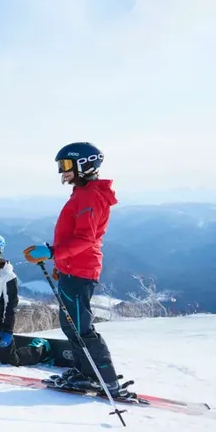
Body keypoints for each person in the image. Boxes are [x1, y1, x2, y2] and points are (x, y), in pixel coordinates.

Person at [23, 141, 133, 398]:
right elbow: (74, 236)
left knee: (81, 327)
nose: (62, 171)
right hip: (74, 267)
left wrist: (52, 253)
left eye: (66, 165)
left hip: (81, 269)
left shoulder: (90, 196)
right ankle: (86, 373)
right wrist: (61, 265)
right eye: (61, 166)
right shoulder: (83, 193)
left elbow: (85, 238)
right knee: (70, 324)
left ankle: (105, 380)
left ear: (84, 164)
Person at [0, 233, 76, 368]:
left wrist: (7, 331)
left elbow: (11, 306)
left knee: (11, 361)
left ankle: (40, 349)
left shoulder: (7, 276)